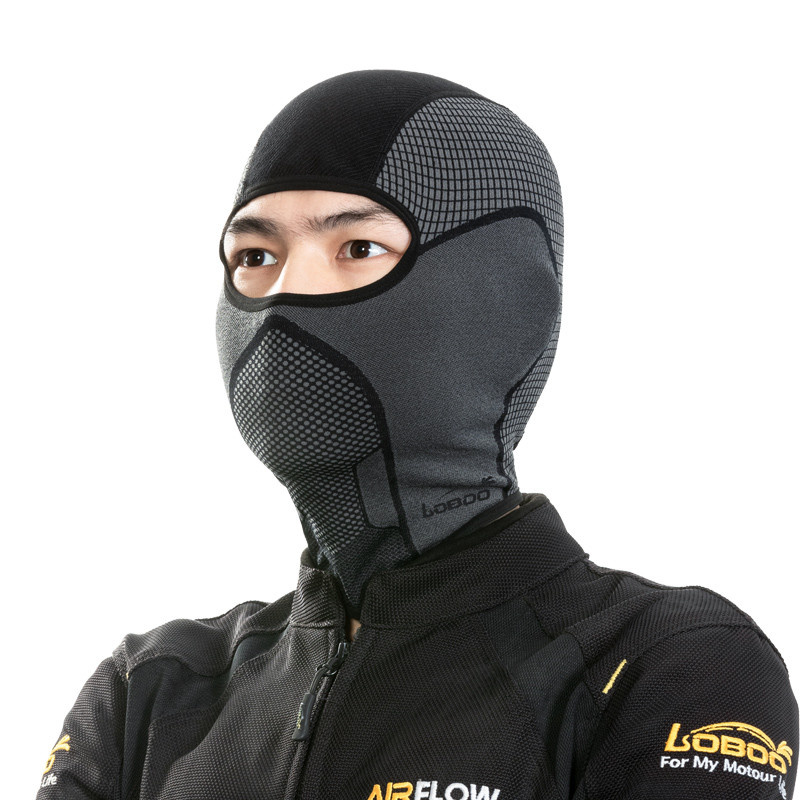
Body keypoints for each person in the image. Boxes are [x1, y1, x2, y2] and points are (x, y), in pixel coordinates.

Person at [37, 69, 797, 800]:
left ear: (501, 298)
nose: (283, 299)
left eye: (357, 249)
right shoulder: (149, 693)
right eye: (255, 256)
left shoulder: (664, 665)